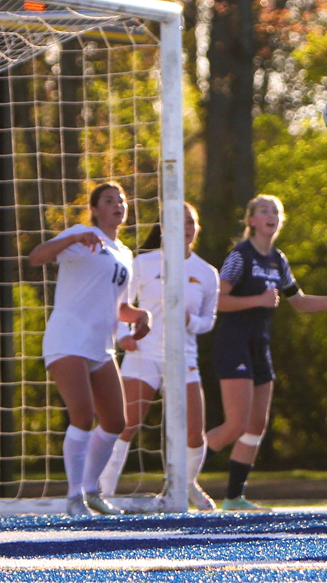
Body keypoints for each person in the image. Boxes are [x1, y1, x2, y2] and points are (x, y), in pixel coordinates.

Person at [206, 194, 327, 511]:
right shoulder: (240, 256)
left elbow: (299, 301)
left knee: (256, 425)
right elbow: (218, 301)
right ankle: (181, 474)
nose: (270, 214)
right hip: (234, 343)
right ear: (251, 220)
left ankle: (234, 497)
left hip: (259, 345)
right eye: (263, 210)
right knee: (235, 424)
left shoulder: (277, 259)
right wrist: (257, 301)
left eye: (275, 210)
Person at [28, 181, 152, 516]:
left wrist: (140, 315)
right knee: (82, 415)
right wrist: (72, 238)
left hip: (101, 346)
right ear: (95, 209)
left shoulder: (125, 254)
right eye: (109, 200)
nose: (117, 205)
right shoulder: (82, 235)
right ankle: (73, 498)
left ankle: (91, 489)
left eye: (121, 200)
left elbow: (119, 307)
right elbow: (36, 256)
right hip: (67, 339)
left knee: (115, 421)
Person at [98, 203, 220, 511]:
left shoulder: (207, 273)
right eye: (179, 221)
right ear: (163, 226)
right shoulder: (143, 262)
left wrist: (191, 322)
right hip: (144, 352)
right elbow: (121, 303)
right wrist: (124, 335)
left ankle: (185, 485)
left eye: (191, 221)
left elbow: (209, 321)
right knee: (125, 423)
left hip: (183, 358)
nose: (186, 227)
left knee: (194, 431)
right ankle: (101, 492)